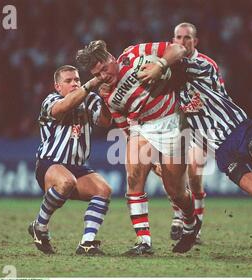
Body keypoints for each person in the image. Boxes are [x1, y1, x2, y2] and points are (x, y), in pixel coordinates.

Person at [140, 54, 252, 255]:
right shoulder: (167, 105)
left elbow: (182, 56)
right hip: (224, 153)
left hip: (243, 130)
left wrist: (163, 62)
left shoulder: (199, 75)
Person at [76, 41, 200, 255]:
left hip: (171, 120)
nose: (104, 76)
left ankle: (191, 222)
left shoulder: (135, 53)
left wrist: (160, 65)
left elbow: (178, 49)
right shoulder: (105, 93)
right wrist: (148, 161)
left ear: (111, 58)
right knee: (133, 179)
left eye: (105, 69)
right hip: (141, 128)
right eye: (98, 74)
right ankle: (144, 241)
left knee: (176, 192)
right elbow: (122, 123)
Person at [28, 65, 112, 255]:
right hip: (49, 163)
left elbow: (106, 122)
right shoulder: (51, 100)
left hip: (77, 167)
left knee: (103, 190)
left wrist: (105, 99)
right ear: (58, 87)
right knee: (66, 181)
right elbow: (63, 108)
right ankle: (39, 226)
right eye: (68, 81)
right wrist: (92, 83)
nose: (74, 83)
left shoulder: (90, 99)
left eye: (77, 80)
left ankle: (87, 243)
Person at [167, 22, 227, 244]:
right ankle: (180, 215)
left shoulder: (207, 65)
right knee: (173, 174)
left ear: (195, 41)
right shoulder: (168, 62)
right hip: (176, 127)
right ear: (173, 40)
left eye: (187, 38)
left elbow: (221, 97)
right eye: (178, 37)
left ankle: (195, 226)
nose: (182, 42)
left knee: (193, 172)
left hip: (201, 127)